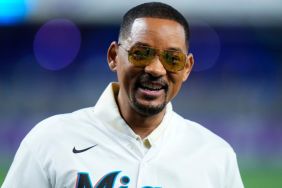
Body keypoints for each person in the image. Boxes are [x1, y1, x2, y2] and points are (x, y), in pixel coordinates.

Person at [2, 2, 244, 188]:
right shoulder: (50, 140)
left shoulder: (216, 156)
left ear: (187, 68)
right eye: (141, 53)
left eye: (172, 59)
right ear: (113, 57)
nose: (156, 69)